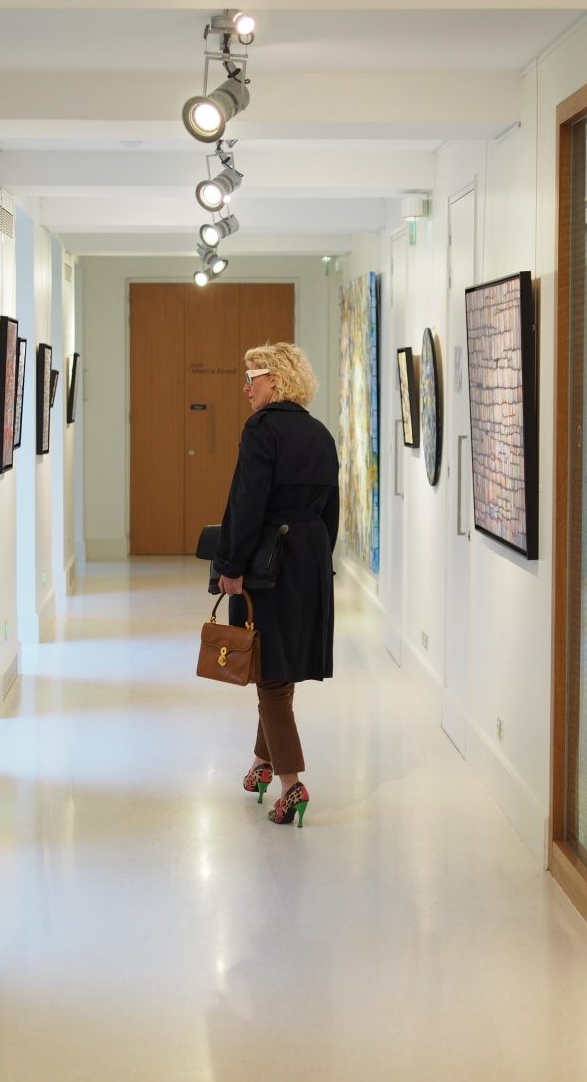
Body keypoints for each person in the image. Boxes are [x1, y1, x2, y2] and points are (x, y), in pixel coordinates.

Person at [213, 342, 340, 828]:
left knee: (268, 672)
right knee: (280, 667)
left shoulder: (261, 430)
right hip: (310, 557)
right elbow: (331, 510)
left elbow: (246, 503)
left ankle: (291, 783)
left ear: (277, 378)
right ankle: (261, 763)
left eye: (253, 377)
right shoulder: (320, 433)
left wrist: (230, 565)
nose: (246, 388)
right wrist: (318, 560)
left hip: (270, 562)